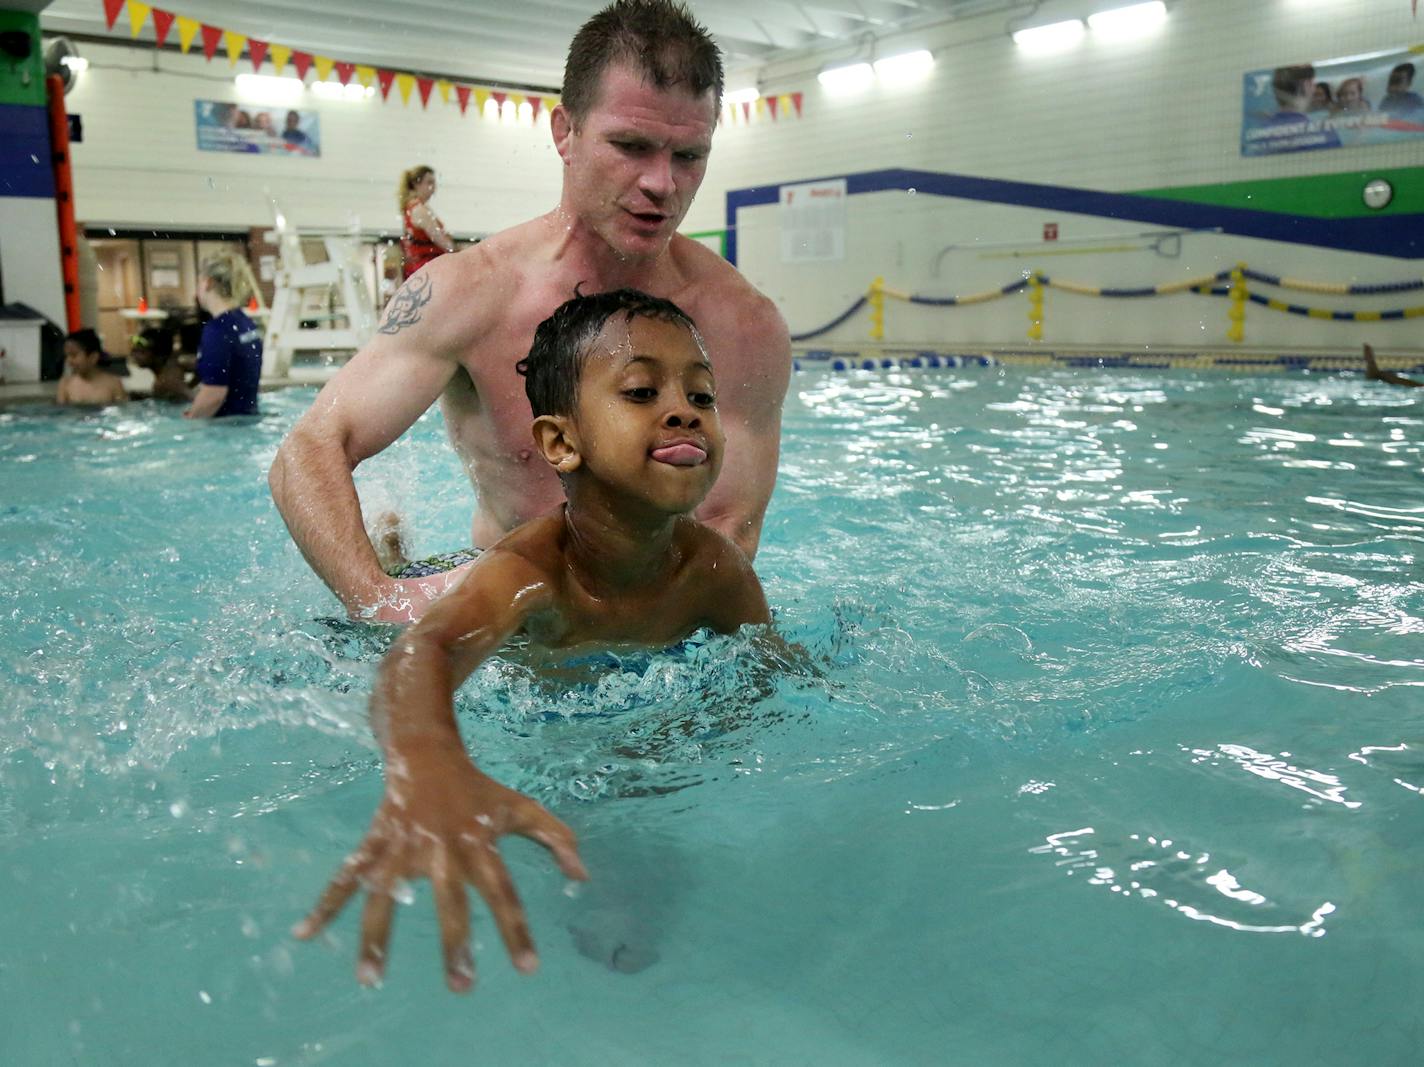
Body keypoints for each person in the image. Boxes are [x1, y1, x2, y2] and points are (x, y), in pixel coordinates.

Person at [293, 288, 773, 991]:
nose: (683, 410)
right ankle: (397, 555)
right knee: (384, 619)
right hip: (500, 640)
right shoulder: (530, 574)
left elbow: (766, 673)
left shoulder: (714, 572)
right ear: (560, 442)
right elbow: (420, 654)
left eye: (702, 395)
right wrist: (430, 761)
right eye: (641, 390)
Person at [269, 0, 791, 626]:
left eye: (688, 156)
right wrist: (379, 601)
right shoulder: (469, 294)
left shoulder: (743, 324)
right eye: (630, 145)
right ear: (564, 132)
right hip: (507, 618)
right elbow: (309, 449)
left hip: (661, 629)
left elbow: (728, 528)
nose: (662, 183)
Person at [187, 253, 263, 419]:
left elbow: (215, 394)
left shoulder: (217, 330)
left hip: (225, 429)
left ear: (208, 283)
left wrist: (190, 423)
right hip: (249, 419)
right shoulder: (246, 323)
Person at [397, 165, 458, 280]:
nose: (434, 188)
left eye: (434, 183)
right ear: (416, 184)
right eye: (429, 183)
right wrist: (459, 252)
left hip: (417, 271)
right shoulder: (420, 210)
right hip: (426, 270)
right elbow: (443, 242)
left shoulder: (410, 207)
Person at [57, 328, 127, 406]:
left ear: (93, 357)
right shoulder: (66, 384)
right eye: (67, 356)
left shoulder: (113, 384)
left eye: (74, 355)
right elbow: (61, 413)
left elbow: (122, 413)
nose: (69, 361)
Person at [128, 326, 190, 403]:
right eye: (134, 351)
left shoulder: (164, 383)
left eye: (142, 352)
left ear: (159, 356)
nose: (134, 355)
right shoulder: (174, 365)